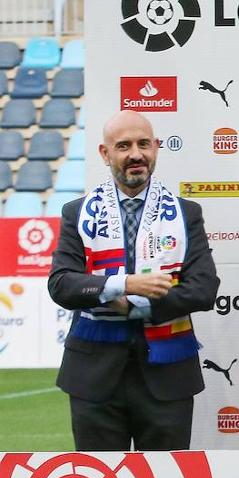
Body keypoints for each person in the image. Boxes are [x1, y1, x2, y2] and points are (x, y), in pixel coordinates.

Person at [48, 110, 219, 451]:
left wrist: (137, 305)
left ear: (156, 147)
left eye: (143, 144)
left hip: (167, 374)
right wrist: (123, 285)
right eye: (123, 146)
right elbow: (62, 284)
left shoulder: (186, 213)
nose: (135, 154)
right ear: (104, 153)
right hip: (93, 377)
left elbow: (203, 289)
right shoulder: (77, 212)